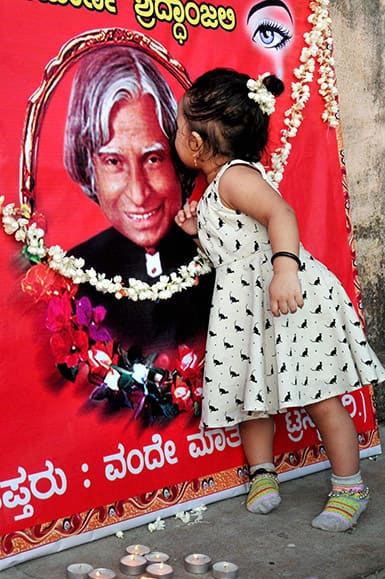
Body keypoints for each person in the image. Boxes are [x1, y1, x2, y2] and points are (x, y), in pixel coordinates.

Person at [174, 67, 385, 531]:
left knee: (321, 397)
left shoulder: (234, 178)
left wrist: (286, 268)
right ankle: (263, 473)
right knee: (251, 394)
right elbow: (233, 248)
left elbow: (280, 213)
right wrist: (197, 233)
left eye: (178, 127)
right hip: (247, 307)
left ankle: (351, 486)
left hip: (287, 299)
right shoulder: (215, 190)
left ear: (194, 144)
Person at [64, 46, 213, 351]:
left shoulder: (216, 252)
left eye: (153, 159)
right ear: (89, 167)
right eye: (114, 162)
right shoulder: (72, 275)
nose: (138, 193)